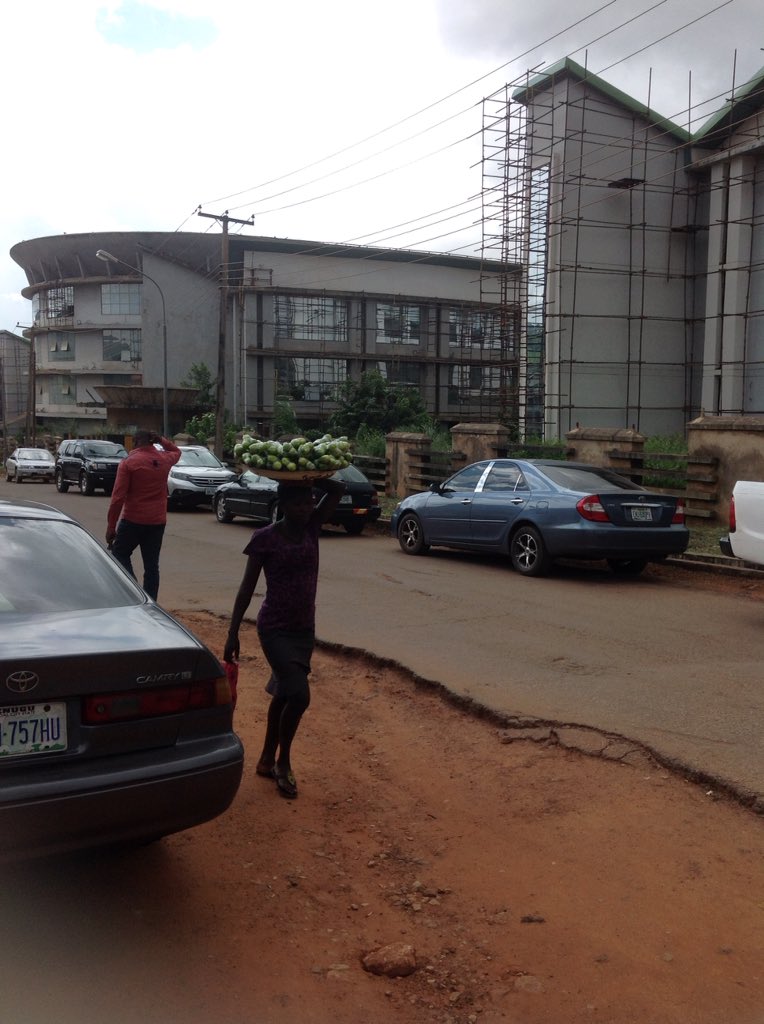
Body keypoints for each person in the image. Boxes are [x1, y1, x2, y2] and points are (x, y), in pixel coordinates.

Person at [224, 476, 346, 799]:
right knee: (299, 696)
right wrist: (233, 631)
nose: (306, 509)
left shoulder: (312, 528)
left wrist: (310, 474)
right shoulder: (265, 538)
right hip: (274, 628)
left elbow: (338, 490)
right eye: (298, 503)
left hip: (304, 629)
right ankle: (283, 762)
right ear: (283, 505)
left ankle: (265, 758)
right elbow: (246, 589)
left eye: (309, 502)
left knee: (283, 693)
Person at [106, 430, 181, 601]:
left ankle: (134, 593)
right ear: (152, 441)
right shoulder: (164, 459)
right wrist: (162, 440)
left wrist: (111, 526)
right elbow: (177, 452)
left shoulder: (128, 463)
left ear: (135, 442)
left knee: (120, 554)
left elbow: (117, 498)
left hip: (133, 520)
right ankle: (151, 602)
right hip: (157, 521)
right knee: (151, 566)